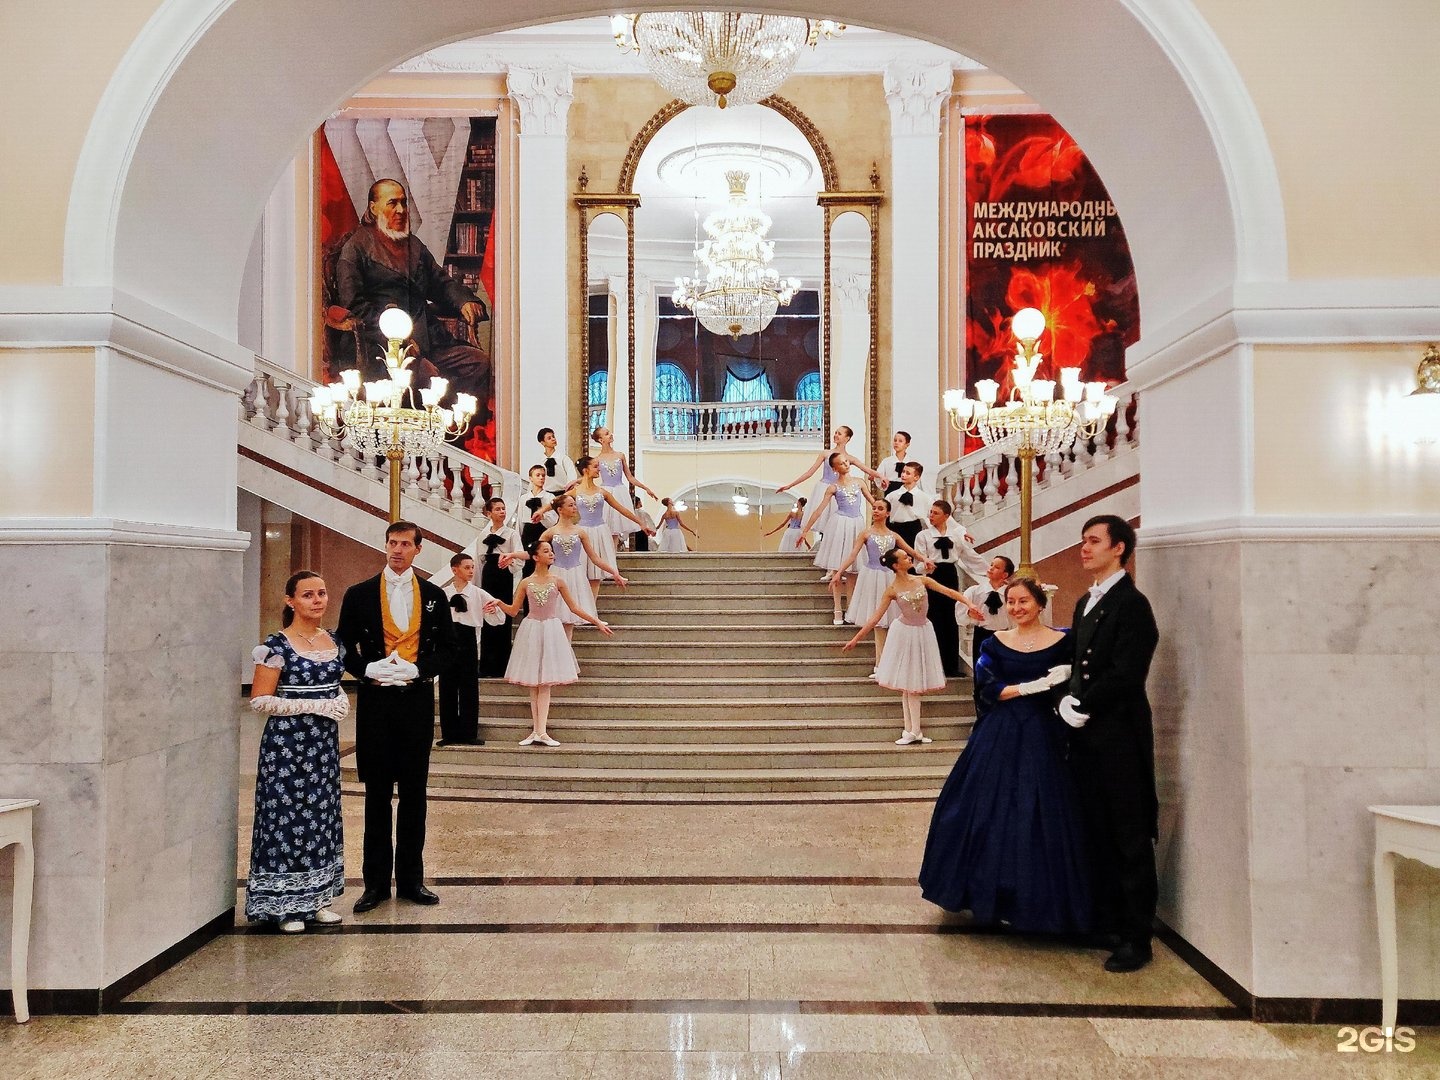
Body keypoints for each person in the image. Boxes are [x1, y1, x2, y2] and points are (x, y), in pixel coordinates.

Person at [918, 579, 1091, 934]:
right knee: (986, 810)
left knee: (1042, 811)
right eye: (1011, 602)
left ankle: (1040, 901)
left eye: (1023, 601)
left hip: (1045, 732)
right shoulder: (994, 642)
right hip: (1000, 733)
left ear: (1040, 603)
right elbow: (987, 686)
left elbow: (1084, 675)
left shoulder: (1064, 641)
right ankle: (989, 894)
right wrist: (1029, 687)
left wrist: (1068, 675)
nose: (1016, 607)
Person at [336, 521, 455, 913]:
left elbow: (448, 650)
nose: (397, 550)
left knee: (415, 794)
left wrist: (419, 670)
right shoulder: (360, 594)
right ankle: (373, 885)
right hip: (375, 706)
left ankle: (411, 881)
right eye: (392, 543)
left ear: (418, 549)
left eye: (405, 544)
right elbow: (343, 646)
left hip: (416, 703)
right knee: (376, 795)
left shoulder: (435, 595)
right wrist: (365, 670)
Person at [1059, 514, 1160, 973]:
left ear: (1119, 548)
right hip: (1088, 734)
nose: (1085, 548)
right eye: (1083, 541)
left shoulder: (1131, 604)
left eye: (1093, 541)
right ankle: (1109, 919)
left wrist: (1085, 703)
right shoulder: (1085, 602)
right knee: (1096, 828)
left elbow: (1125, 671)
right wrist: (1064, 696)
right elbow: (1075, 661)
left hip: (1119, 733)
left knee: (1129, 835)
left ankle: (1138, 938)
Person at [330, 179, 490, 424]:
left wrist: (463, 301)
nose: (401, 210)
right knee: (429, 376)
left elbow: (440, 281)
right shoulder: (356, 249)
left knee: (477, 363)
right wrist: (396, 337)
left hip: (429, 338)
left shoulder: (413, 246)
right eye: (392, 203)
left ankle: (456, 437)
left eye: (403, 203)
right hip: (379, 346)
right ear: (373, 208)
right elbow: (354, 307)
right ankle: (417, 447)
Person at [245, 571, 348, 933]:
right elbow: (259, 700)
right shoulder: (276, 646)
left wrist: (340, 699)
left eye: (321, 593)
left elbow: (335, 685)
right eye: (308, 595)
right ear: (291, 601)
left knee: (321, 817)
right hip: (287, 747)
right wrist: (313, 706)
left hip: (322, 747)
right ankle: (285, 905)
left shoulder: (332, 640)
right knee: (286, 817)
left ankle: (317, 898)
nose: (317, 600)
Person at [842, 549, 977, 744]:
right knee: (908, 685)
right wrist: (856, 638)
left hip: (922, 631)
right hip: (904, 633)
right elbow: (875, 618)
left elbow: (948, 591)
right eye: (904, 557)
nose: (909, 558)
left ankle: (914, 730)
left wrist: (969, 603)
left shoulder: (922, 580)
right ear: (896, 565)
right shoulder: (892, 590)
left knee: (912, 685)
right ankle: (912, 730)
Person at [495, 539, 615, 746]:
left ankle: (542, 731)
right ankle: (536, 730)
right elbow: (514, 611)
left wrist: (596, 621)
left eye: (551, 551)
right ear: (535, 557)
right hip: (532, 629)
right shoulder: (526, 583)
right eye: (546, 551)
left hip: (551, 629)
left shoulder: (558, 581)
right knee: (533, 682)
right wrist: (497, 603)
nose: (551, 554)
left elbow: (574, 608)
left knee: (546, 682)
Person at [834, 500, 927, 673]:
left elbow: (911, 552)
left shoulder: (894, 536)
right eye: (874, 508)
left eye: (880, 508)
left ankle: (892, 663)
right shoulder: (866, 534)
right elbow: (853, 554)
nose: (876, 511)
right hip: (871, 577)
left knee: (893, 621)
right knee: (877, 620)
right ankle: (879, 664)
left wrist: (925, 559)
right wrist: (839, 572)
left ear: (888, 513)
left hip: (891, 578)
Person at [777, 425, 883, 577]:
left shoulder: (849, 459)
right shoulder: (826, 454)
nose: (836, 435)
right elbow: (809, 472)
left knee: (840, 529)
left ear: (847, 438)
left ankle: (838, 566)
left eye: (839, 434)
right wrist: (790, 485)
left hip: (843, 492)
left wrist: (882, 477)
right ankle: (831, 566)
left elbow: (868, 470)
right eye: (835, 433)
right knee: (830, 527)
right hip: (826, 488)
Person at [916, 500, 989, 678]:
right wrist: (926, 567)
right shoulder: (923, 535)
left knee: (950, 618)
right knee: (933, 618)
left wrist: (990, 571)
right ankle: (933, 666)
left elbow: (970, 557)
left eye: (935, 513)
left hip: (949, 574)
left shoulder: (956, 535)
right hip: (932, 577)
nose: (931, 516)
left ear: (946, 516)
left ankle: (950, 666)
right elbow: (917, 565)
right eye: (930, 512)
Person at [439, 553, 504, 747]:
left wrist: (493, 612)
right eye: (467, 567)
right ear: (454, 569)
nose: (471, 571)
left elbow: (498, 619)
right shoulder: (443, 594)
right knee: (447, 687)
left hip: (468, 642)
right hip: (448, 641)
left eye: (472, 567)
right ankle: (449, 733)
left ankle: (469, 732)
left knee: (469, 688)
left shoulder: (478, 593)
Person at [800, 454, 875, 621]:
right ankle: (837, 609)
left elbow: (873, 502)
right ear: (834, 469)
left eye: (847, 461)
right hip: (840, 525)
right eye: (841, 463)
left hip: (857, 524)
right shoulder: (833, 487)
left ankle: (851, 609)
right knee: (837, 568)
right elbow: (819, 509)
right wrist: (805, 530)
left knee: (853, 571)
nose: (846, 464)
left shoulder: (860, 482)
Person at [540, 494, 628, 639]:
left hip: (575, 575)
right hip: (556, 574)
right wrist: (513, 555)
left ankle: (566, 654)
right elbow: (534, 553)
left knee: (569, 621)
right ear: (560, 510)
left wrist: (614, 572)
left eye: (575, 504)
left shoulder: (580, 532)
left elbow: (594, 557)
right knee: (554, 619)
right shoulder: (550, 532)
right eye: (571, 505)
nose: (575, 507)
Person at [573, 455, 653, 597]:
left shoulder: (602, 492)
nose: (599, 469)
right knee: (581, 571)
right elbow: (556, 503)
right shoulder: (576, 492)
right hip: (582, 531)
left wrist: (640, 523)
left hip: (599, 529)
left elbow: (622, 509)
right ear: (586, 470)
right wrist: (542, 511)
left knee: (595, 573)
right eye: (596, 467)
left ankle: (592, 611)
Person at [477, 498, 525, 677]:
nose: (502, 512)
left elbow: (520, 556)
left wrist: (510, 562)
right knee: (488, 613)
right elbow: (479, 558)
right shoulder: (483, 534)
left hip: (503, 575)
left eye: (503, 509)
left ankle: (503, 666)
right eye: (497, 509)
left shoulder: (512, 534)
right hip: (488, 574)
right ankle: (487, 665)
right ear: (489, 513)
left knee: (502, 615)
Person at [592, 426, 657, 547]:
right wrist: (575, 482)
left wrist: (645, 488)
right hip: (606, 491)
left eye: (609, 432)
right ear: (601, 440)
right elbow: (589, 475)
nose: (610, 434)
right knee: (606, 528)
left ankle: (613, 558)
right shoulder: (597, 459)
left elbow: (630, 477)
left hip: (619, 491)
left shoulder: (620, 455)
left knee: (615, 529)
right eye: (606, 434)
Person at [963, 555, 1017, 676]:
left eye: (997, 567)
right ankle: (979, 693)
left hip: (1003, 634)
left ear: (1005, 575)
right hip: (982, 634)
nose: (991, 568)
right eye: (991, 565)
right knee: (981, 667)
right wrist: (969, 612)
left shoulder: (1010, 593)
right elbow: (962, 605)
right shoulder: (976, 591)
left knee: (1001, 668)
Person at [884, 462, 933, 548]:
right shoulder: (892, 496)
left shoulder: (925, 498)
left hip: (914, 531)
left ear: (916, 477)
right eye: (903, 472)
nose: (903, 475)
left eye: (908, 473)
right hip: (895, 530)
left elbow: (934, 517)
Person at [516, 464, 557, 564]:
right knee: (528, 564)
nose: (541, 478)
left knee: (543, 561)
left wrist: (543, 516)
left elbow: (554, 519)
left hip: (543, 531)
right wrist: (518, 539)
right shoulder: (523, 498)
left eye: (543, 475)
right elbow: (520, 520)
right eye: (538, 475)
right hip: (528, 533)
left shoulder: (549, 497)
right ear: (531, 478)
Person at [538, 428, 578, 496]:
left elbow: (572, 477)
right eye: (549, 438)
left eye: (553, 436)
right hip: (546, 495)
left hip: (563, 494)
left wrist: (567, 494)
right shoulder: (540, 461)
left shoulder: (564, 459)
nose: (553, 439)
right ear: (543, 442)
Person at [877, 431, 915, 495]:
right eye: (895, 440)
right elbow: (878, 476)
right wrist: (882, 483)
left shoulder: (913, 462)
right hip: (890, 492)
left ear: (907, 444)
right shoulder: (886, 461)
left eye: (900, 441)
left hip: (908, 492)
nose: (896, 443)